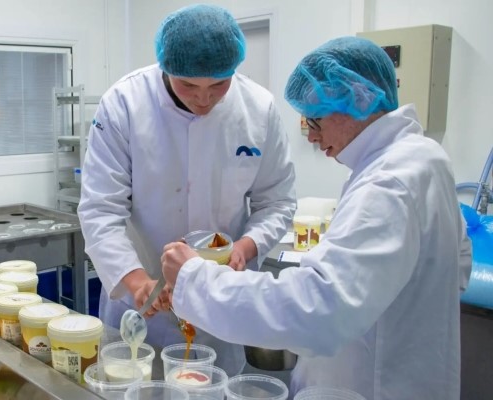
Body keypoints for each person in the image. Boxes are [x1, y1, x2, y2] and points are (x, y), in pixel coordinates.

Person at [162, 36, 472, 399]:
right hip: (407, 373)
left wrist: (195, 278)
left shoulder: (389, 182)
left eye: (316, 119)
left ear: (358, 100)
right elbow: (459, 268)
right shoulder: (424, 158)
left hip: (374, 386)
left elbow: (317, 309)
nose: (310, 136)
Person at [77, 4, 296, 376]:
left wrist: (247, 246)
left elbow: (276, 201)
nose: (204, 98)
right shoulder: (125, 104)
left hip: (219, 296)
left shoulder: (259, 108)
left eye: (219, 85)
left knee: (213, 383)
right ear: (166, 68)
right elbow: (100, 210)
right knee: (135, 382)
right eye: (188, 85)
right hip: (142, 298)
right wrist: (138, 283)